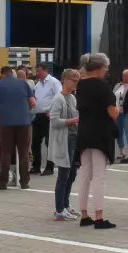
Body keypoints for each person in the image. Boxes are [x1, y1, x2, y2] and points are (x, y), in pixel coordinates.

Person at [75, 53, 118, 229]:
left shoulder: (81, 85)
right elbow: (113, 113)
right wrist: (118, 108)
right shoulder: (103, 86)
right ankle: (99, 217)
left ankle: (84, 215)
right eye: (106, 67)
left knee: (85, 174)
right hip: (100, 133)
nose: (107, 70)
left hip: (84, 132)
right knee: (99, 175)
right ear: (100, 68)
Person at [0, 66, 35, 190]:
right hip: (24, 122)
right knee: (23, 152)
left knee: (5, 152)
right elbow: (33, 102)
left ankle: (3, 182)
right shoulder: (24, 83)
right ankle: (24, 182)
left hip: (6, 123)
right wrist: (25, 110)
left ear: (2, 74)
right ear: (12, 73)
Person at [48, 69, 81, 220]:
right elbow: (54, 121)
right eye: (74, 80)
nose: (76, 83)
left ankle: (66, 205)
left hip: (74, 138)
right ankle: (59, 209)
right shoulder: (58, 98)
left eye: (77, 81)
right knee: (63, 174)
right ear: (65, 79)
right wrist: (73, 120)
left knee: (72, 174)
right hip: (64, 140)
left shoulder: (72, 98)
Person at [30, 64, 61, 176]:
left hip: (48, 116)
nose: (37, 73)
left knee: (49, 142)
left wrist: (53, 111)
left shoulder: (54, 82)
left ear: (45, 70)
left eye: (39, 71)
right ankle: (36, 166)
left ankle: (49, 167)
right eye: (36, 71)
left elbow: (59, 97)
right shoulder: (38, 84)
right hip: (38, 116)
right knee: (35, 143)